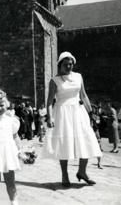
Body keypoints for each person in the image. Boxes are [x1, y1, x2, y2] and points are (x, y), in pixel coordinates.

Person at [43, 52, 102, 187]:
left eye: (71, 64)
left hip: (78, 112)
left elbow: (84, 96)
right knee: (65, 144)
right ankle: (65, 174)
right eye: (66, 64)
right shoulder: (54, 80)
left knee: (86, 141)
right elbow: (49, 102)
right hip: (62, 113)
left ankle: (82, 172)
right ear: (60, 65)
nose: (69, 66)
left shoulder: (78, 77)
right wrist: (50, 117)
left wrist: (91, 112)